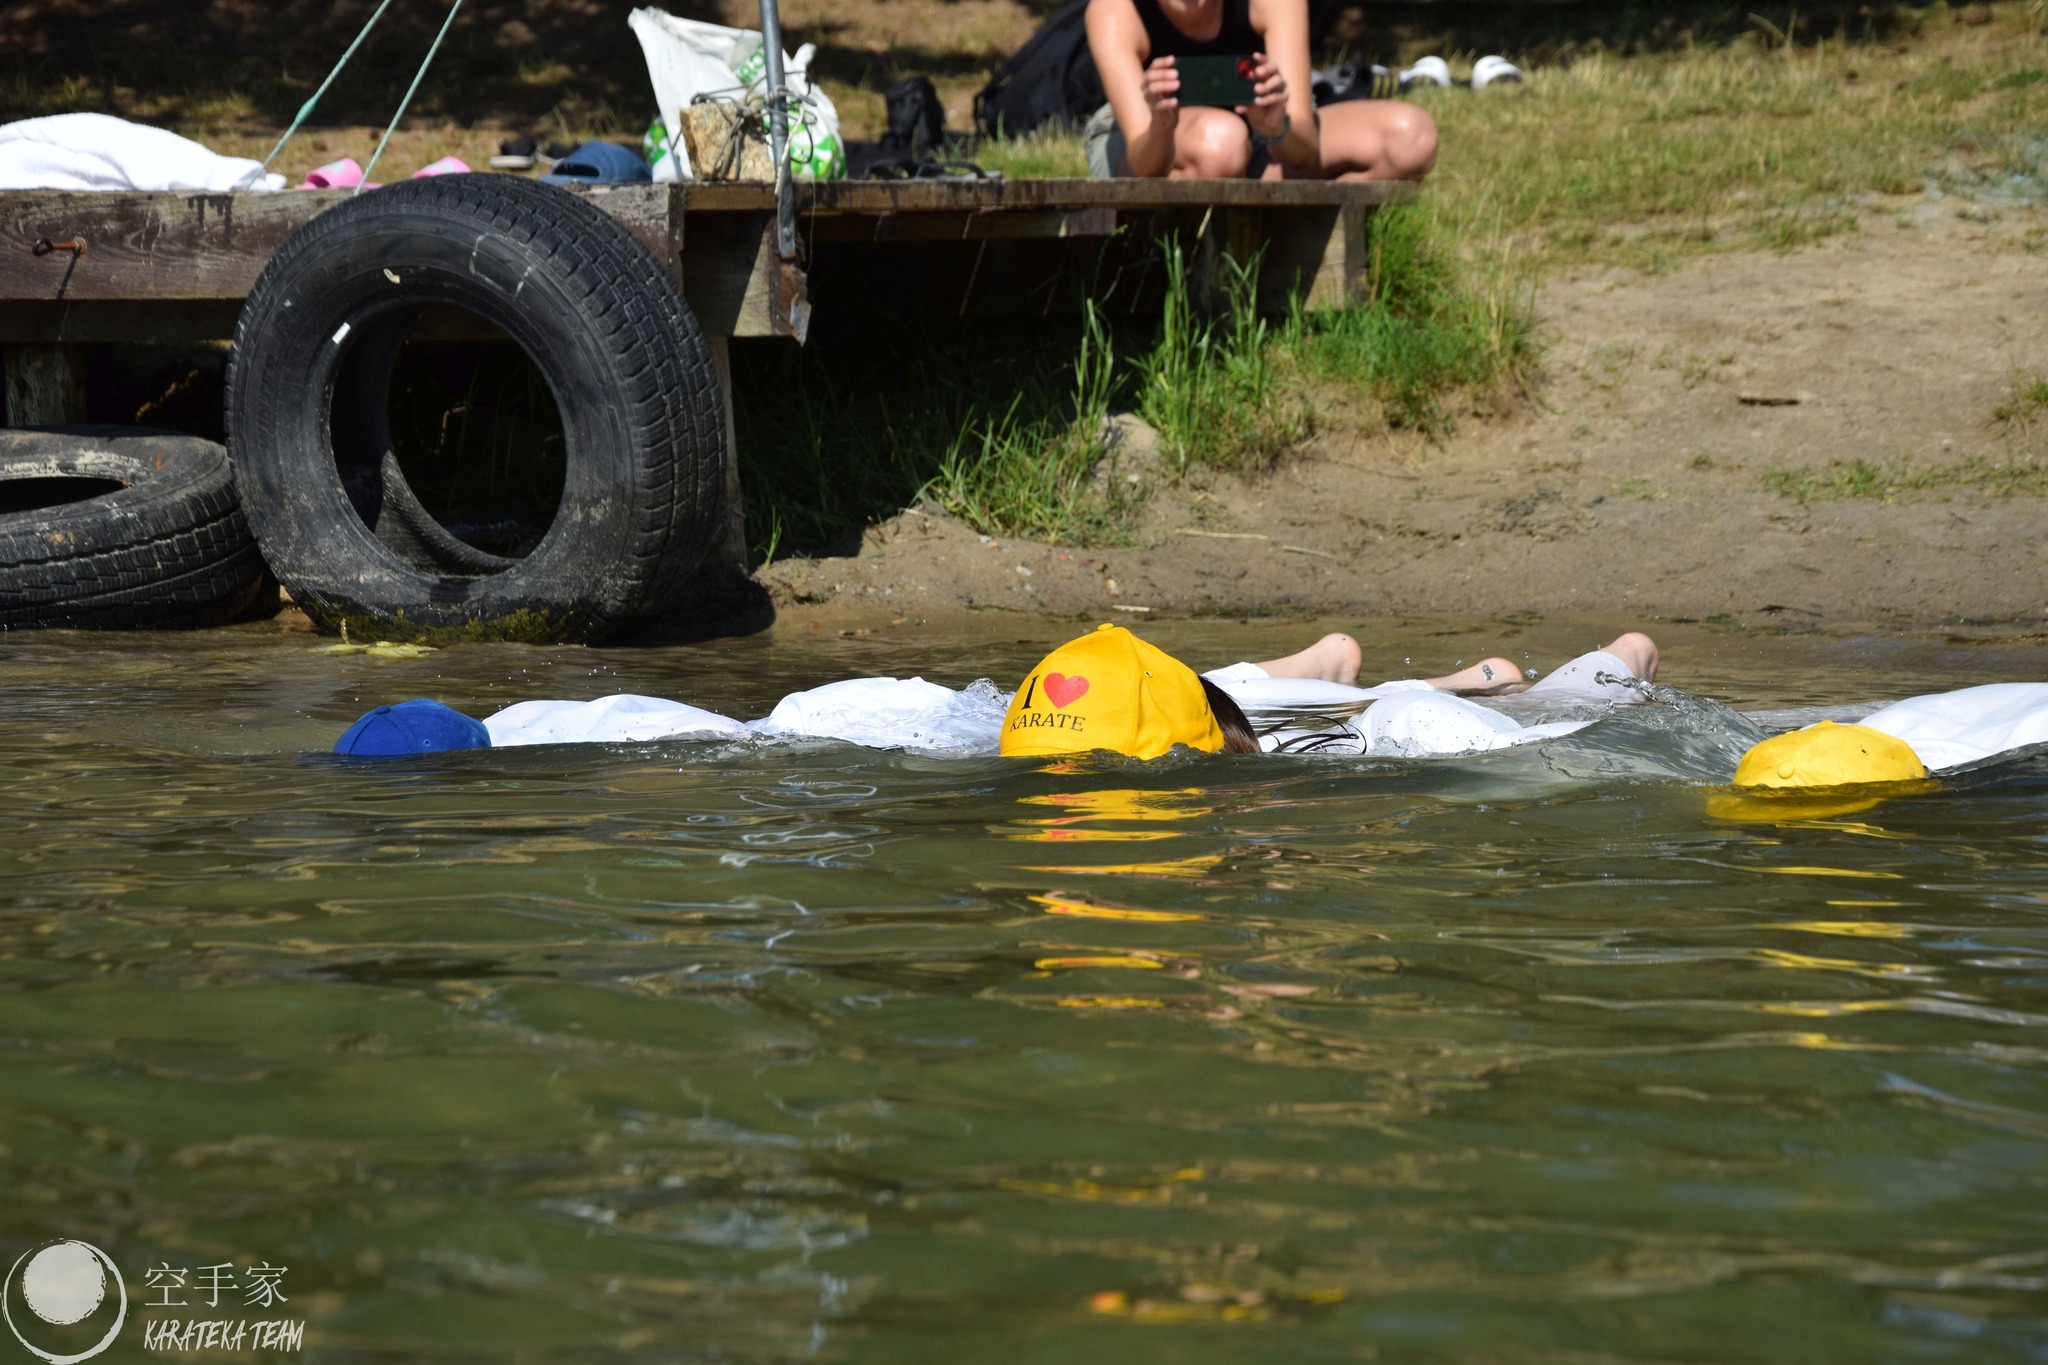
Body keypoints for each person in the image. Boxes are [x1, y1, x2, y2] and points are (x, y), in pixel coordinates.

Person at [1082, 0, 1438, 180]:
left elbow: (1302, 146)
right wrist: (1160, 127)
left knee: (1412, 138)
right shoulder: (1115, 11)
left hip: (1253, 138)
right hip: (1143, 143)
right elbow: (1145, 165)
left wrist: (1276, 127)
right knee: (1220, 143)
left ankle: (1303, 232)